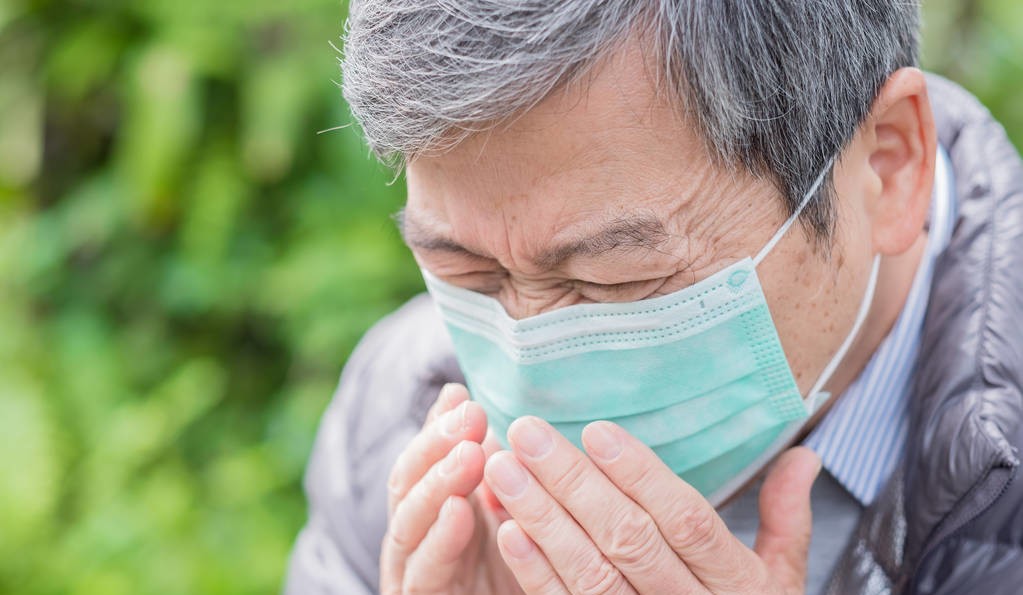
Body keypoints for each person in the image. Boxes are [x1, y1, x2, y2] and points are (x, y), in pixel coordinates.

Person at [285, 2, 1023, 593]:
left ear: (887, 165)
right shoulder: (398, 409)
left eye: (614, 280)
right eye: (467, 270)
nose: (531, 378)